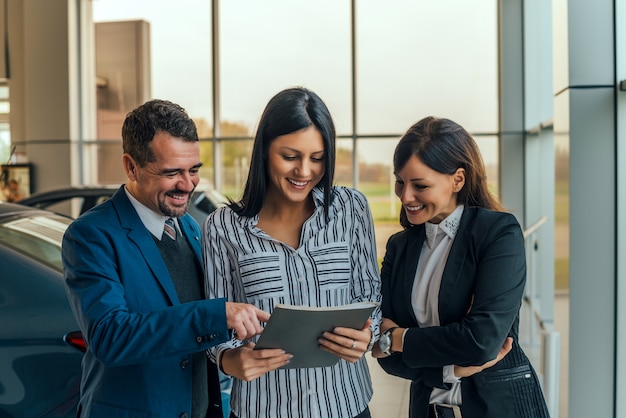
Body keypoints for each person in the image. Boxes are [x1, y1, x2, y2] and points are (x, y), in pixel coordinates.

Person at [62, 99, 269, 418]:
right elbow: (109, 336)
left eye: (194, 170)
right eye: (172, 173)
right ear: (131, 166)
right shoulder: (91, 235)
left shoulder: (189, 226)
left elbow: (199, 327)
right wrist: (216, 315)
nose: (188, 185)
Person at [203, 87, 382, 418]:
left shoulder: (351, 209)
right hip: (263, 408)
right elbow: (217, 322)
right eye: (290, 156)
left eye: (317, 158)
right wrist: (229, 360)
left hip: (345, 403)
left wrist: (368, 334)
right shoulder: (223, 227)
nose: (304, 171)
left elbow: (370, 295)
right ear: (264, 151)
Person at [372, 116, 550, 418]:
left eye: (420, 185)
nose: (405, 196)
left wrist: (399, 339)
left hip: (497, 407)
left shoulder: (498, 234)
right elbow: (385, 356)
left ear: (458, 179)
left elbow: (481, 341)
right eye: (400, 182)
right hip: (428, 410)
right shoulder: (399, 247)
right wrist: (451, 368)